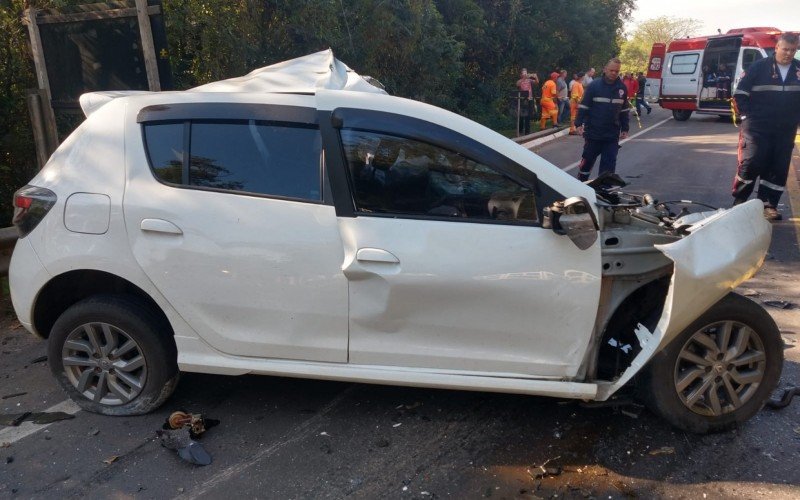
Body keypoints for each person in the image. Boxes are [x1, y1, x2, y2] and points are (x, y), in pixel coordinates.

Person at [731, 32, 800, 221]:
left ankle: (767, 205)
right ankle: (740, 203)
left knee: (777, 168)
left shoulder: (798, 70)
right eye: (785, 49)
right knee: (752, 163)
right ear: (777, 47)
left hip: (785, 130)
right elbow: (740, 94)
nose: (788, 53)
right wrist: (746, 118)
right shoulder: (758, 68)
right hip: (756, 128)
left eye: (793, 50)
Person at [574, 58, 630, 181]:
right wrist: (578, 124)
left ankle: (604, 192)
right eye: (611, 70)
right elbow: (584, 106)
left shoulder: (622, 88)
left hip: (612, 135)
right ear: (605, 69)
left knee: (608, 167)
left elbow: (624, 110)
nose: (614, 73)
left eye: (617, 71)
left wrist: (625, 128)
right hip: (593, 133)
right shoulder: (594, 86)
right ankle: (580, 185)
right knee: (587, 163)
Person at [516, 68, 534, 135]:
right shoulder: (520, 81)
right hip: (523, 100)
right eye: (524, 73)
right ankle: (520, 130)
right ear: (521, 74)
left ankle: (527, 131)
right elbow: (517, 84)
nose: (525, 74)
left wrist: (535, 76)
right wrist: (524, 78)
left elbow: (537, 82)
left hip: (530, 99)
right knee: (521, 115)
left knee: (528, 116)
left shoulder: (529, 80)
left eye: (526, 72)